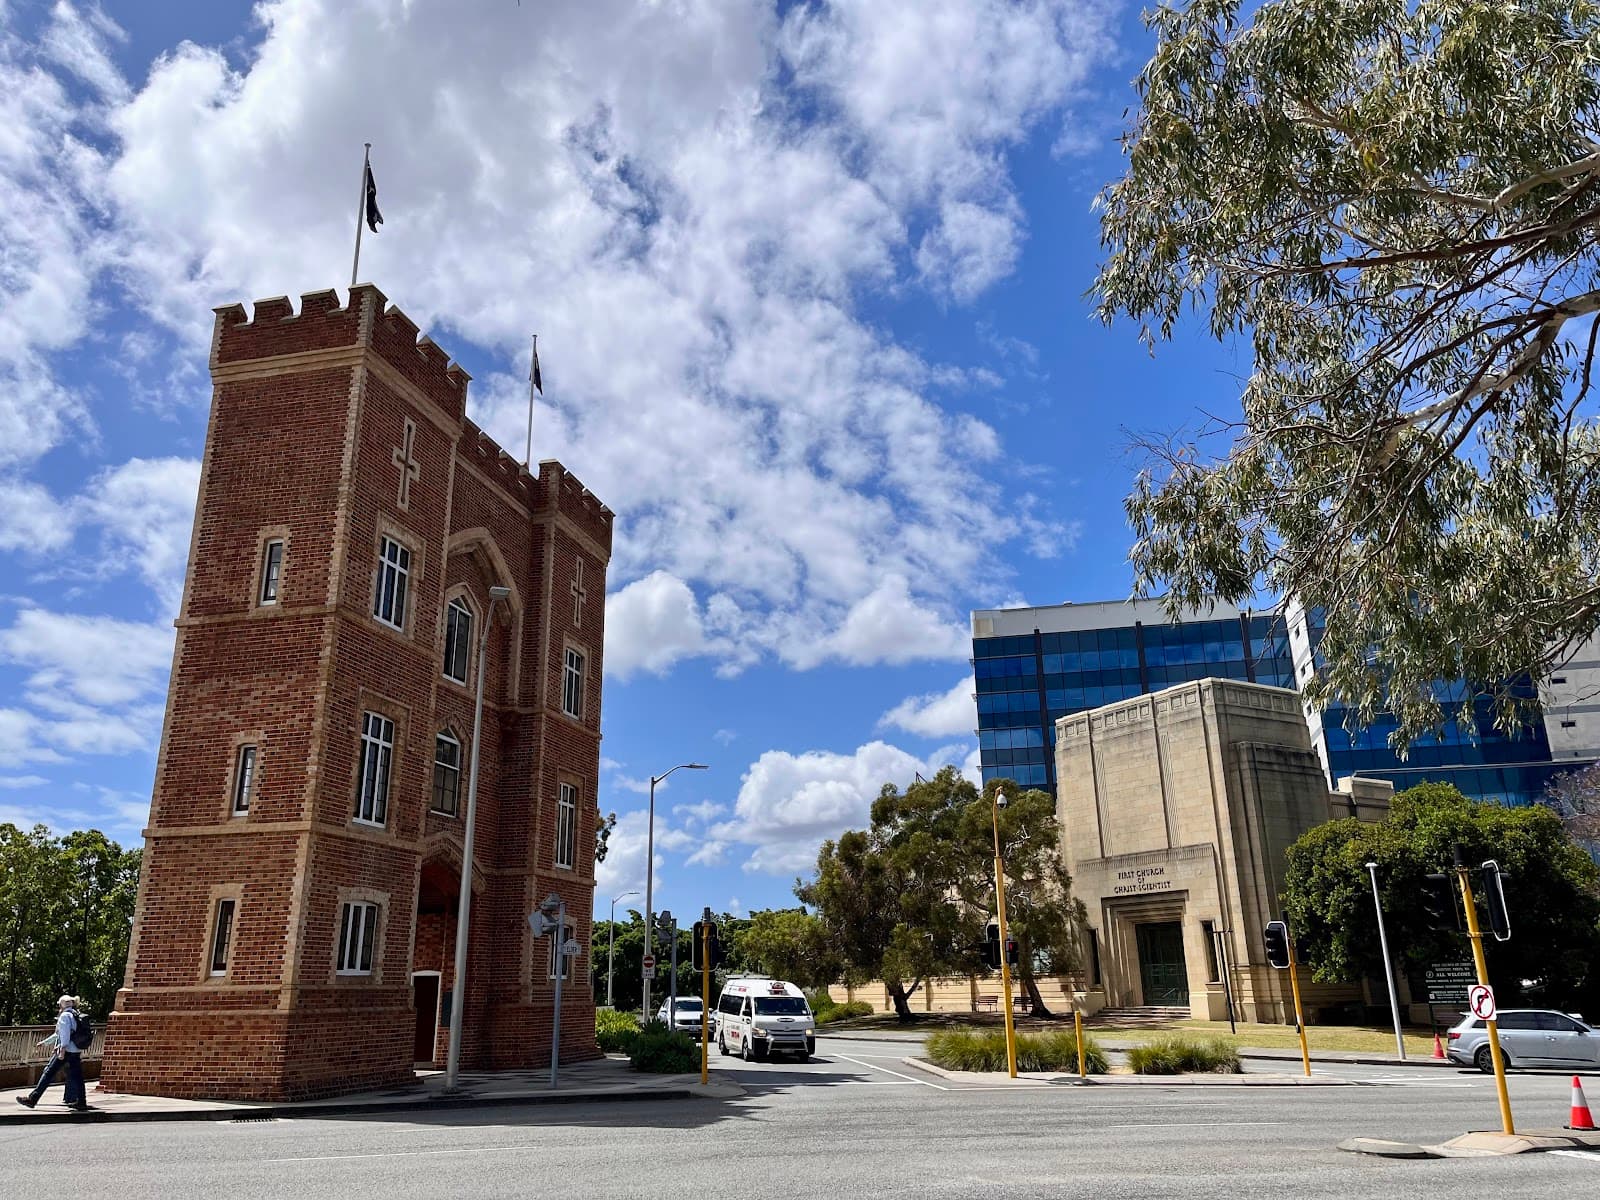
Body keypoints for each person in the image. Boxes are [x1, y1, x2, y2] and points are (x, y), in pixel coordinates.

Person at [15, 995, 90, 1111]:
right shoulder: (75, 1014)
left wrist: (62, 1050)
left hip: (66, 1051)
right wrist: (46, 1043)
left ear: (61, 1005)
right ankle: (82, 1101)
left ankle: (33, 1098)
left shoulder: (65, 1016)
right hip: (76, 1050)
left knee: (48, 1073)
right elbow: (63, 1033)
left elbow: (64, 1035)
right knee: (77, 1077)